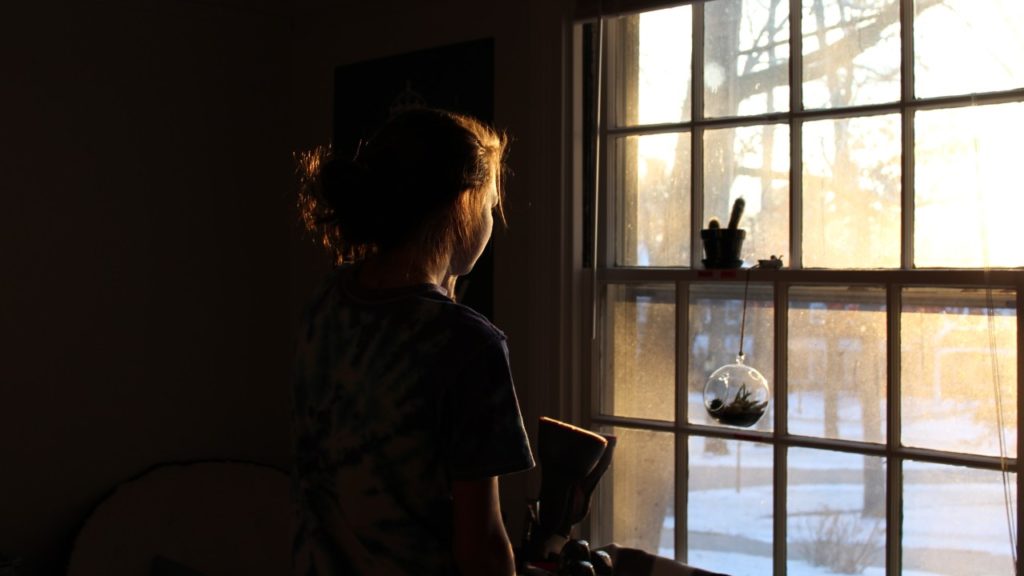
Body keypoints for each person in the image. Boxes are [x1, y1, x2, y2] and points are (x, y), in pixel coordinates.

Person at [290, 108, 534, 576]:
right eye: (489, 205)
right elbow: (481, 544)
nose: (490, 219)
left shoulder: (325, 304)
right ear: (462, 205)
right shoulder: (468, 346)